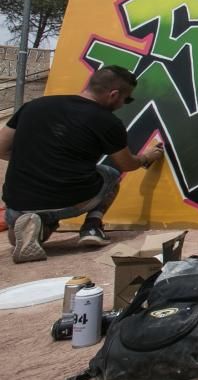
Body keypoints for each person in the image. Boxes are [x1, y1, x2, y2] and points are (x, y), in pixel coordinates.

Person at [1, 65, 164, 263]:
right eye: (126, 99)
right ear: (114, 94)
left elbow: (1, 148)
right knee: (110, 174)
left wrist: (33, 158)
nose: (123, 104)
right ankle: (92, 226)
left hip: (19, 202)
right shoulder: (107, 121)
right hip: (69, 198)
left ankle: (35, 222)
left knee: (18, 235)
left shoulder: (32, 107)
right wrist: (146, 157)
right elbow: (127, 164)